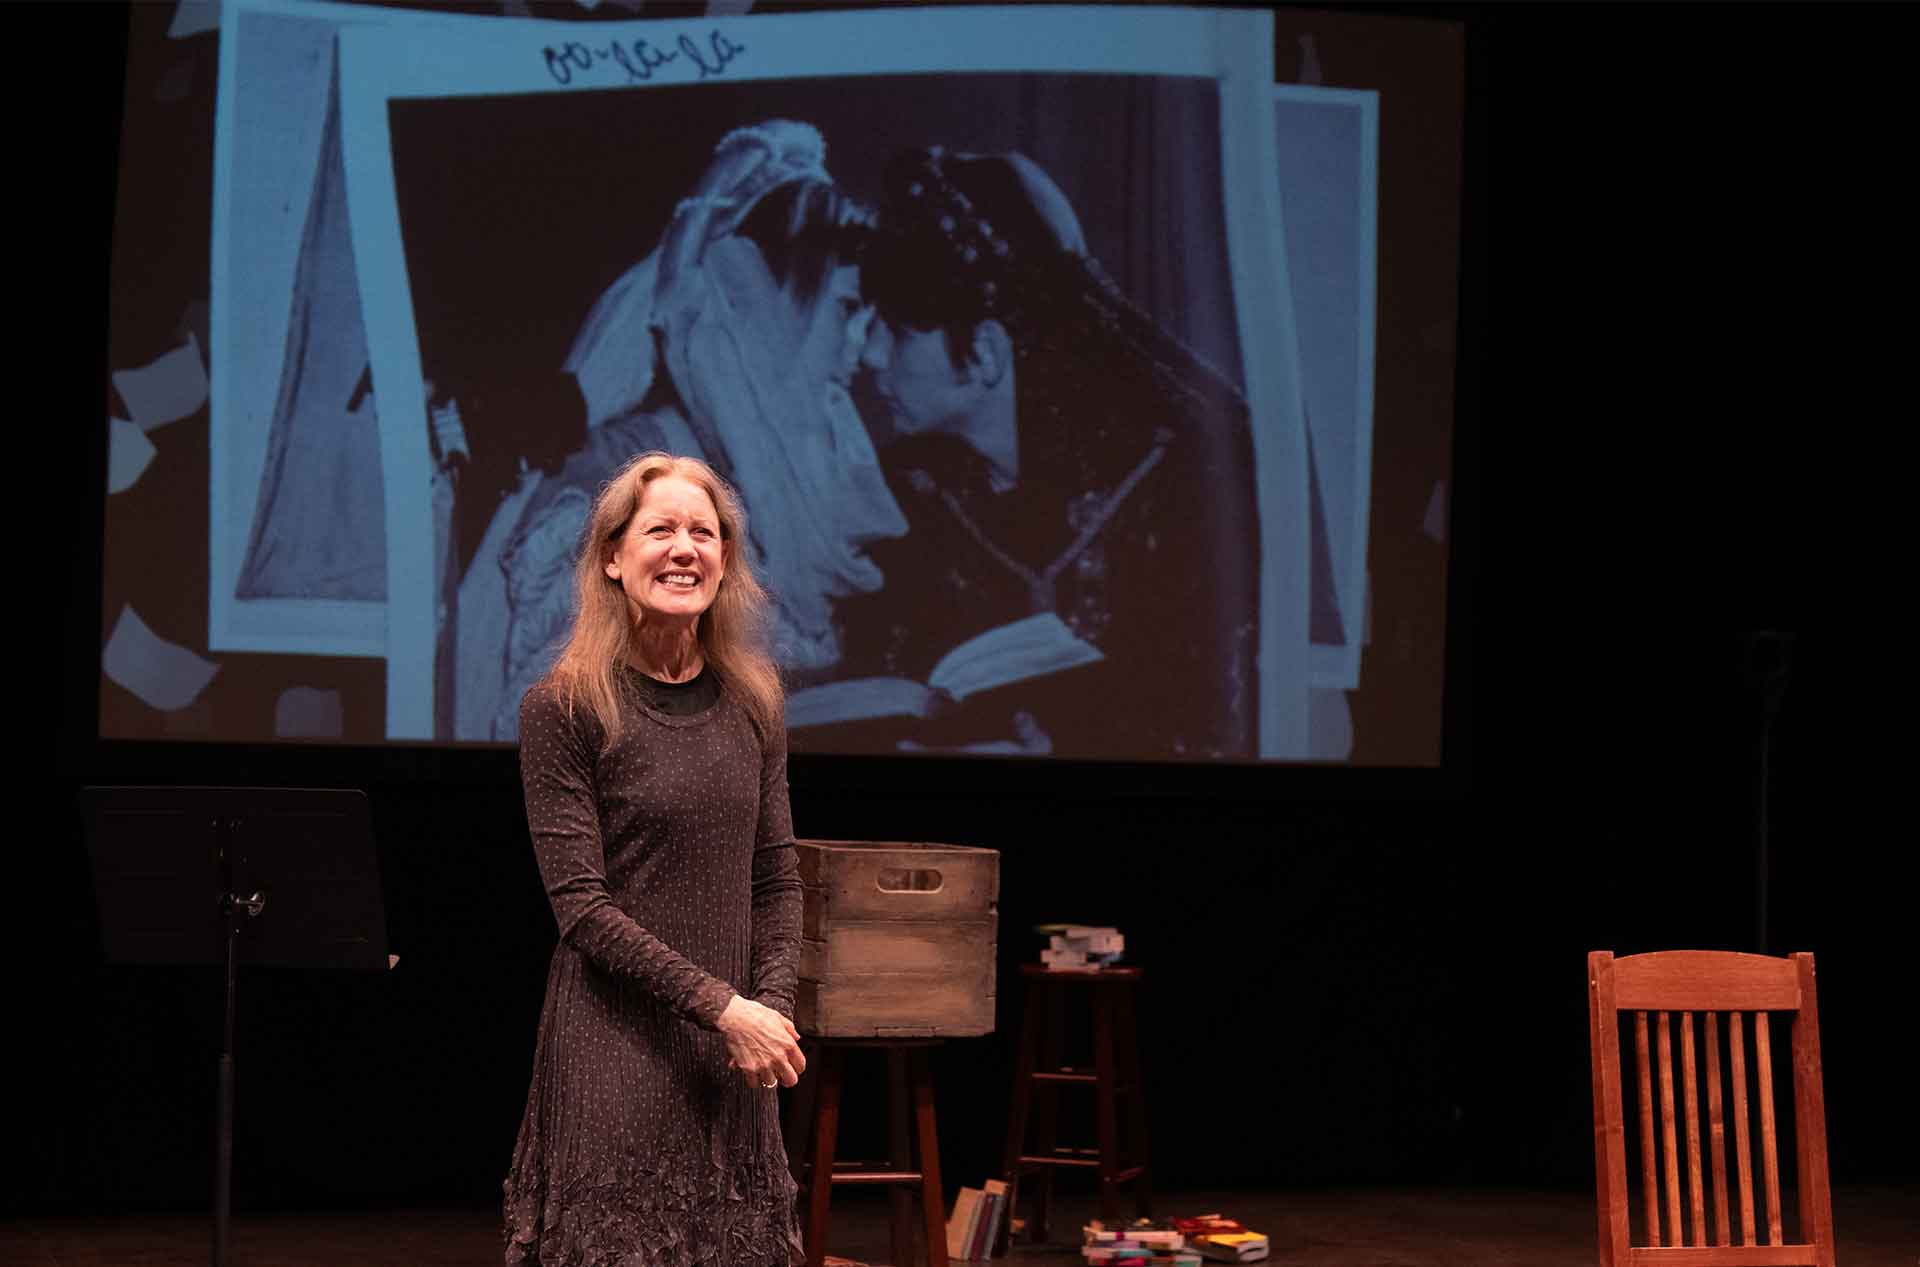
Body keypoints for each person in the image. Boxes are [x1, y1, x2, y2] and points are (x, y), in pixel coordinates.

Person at [458, 120, 905, 740]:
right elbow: (551, 749)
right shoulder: (608, 501)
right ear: (753, 314)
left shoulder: (784, 489)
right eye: (847, 312)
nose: (860, 351)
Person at [831, 147, 1261, 760]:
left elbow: (1217, 721)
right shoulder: (912, 488)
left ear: (984, 353)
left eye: (895, 332)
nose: (869, 357)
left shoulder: (1171, 490)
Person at [503, 451, 805, 1266]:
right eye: (660, 529)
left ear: (725, 560)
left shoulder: (753, 701)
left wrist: (767, 1014)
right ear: (611, 557)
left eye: (703, 532)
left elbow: (776, 877)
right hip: (615, 1052)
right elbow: (583, 909)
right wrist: (725, 1007)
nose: (685, 548)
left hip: (733, 1058)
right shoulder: (564, 706)